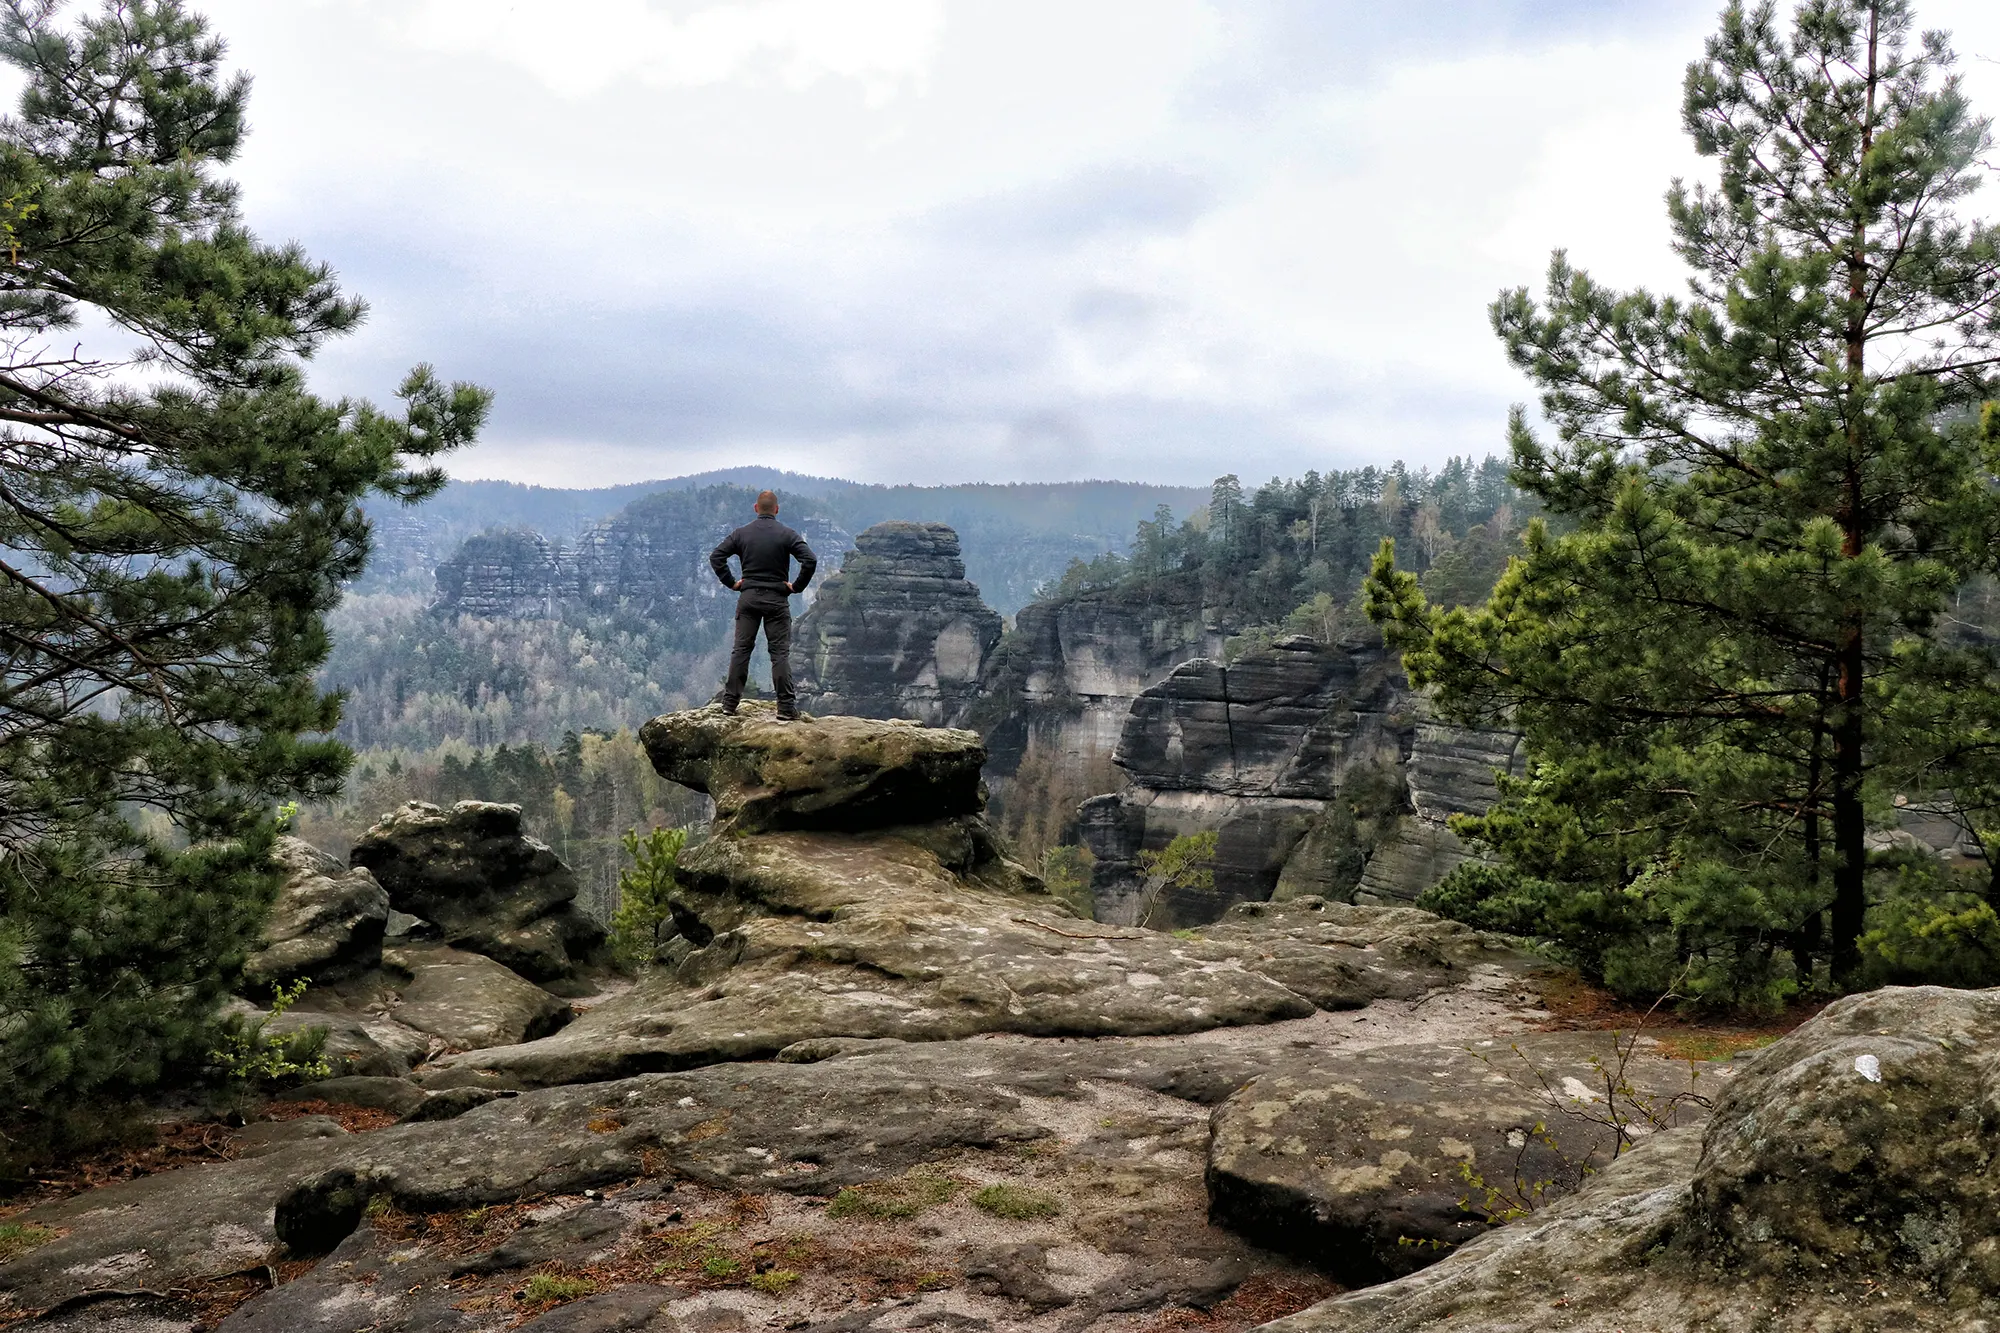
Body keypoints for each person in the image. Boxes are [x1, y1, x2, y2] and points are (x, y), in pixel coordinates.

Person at [709, 490, 817, 719]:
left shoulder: (742, 534)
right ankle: (786, 709)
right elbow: (810, 560)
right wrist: (796, 586)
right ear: (776, 510)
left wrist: (732, 583)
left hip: (748, 599)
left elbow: (716, 557)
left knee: (741, 651)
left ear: (756, 508)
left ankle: (729, 705)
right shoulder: (787, 534)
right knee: (779, 654)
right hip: (777, 600)